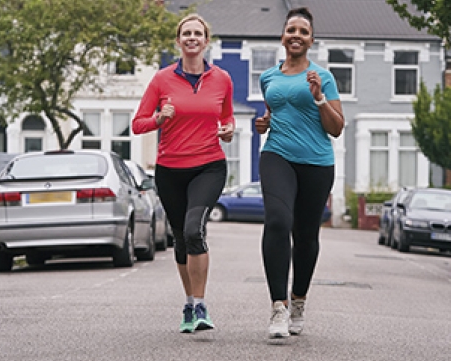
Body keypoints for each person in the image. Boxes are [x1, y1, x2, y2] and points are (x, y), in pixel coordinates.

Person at [132, 13, 235, 334]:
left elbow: (227, 119)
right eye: (186, 33)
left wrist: (228, 131)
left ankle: (201, 304)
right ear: (178, 41)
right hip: (170, 169)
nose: (192, 38)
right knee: (180, 239)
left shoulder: (222, 79)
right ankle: (189, 304)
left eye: (198, 33)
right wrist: (159, 119)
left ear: (206, 41)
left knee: (194, 230)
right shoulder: (162, 80)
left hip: (209, 165)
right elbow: (138, 124)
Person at [254, 7, 345, 339]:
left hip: (317, 163)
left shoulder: (324, 77)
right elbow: (273, 113)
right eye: (291, 29)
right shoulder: (268, 78)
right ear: (283, 36)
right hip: (277, 155)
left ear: (311, 40)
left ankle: (298, 300)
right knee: (277, 221)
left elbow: (336, 128)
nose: (296, 35)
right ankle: (278, 307)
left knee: (306, 237)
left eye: (303, 32)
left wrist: (319, 97)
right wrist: (263, 123)